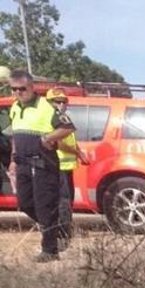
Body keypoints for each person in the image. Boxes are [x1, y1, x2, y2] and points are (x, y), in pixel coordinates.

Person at [6, 70, 75, 262]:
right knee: (25, 203)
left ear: (31, 87)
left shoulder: (46, 106)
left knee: (45, 207)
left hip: (43, 164)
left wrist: (48, 137)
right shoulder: (14, 107)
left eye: (22, 89)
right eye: (14, 89)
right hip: (22, 165)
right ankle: (55, 228)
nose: (19, 92)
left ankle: (50, 250)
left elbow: (67, 127)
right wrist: (12, 159)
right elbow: (14, 136)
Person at [44, 88, 89, 247]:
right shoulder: (50, 119)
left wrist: (78, 151)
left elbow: (70, 139)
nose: (62, 104)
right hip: (58, 165)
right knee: (63, 201)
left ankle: (66, 229)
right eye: (58, 101)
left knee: (67, 200)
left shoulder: (64, 118)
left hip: (67, 165)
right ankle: (62, 235)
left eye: (64, 101)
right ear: (49, 103)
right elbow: (59, 143)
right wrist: (78, 153)